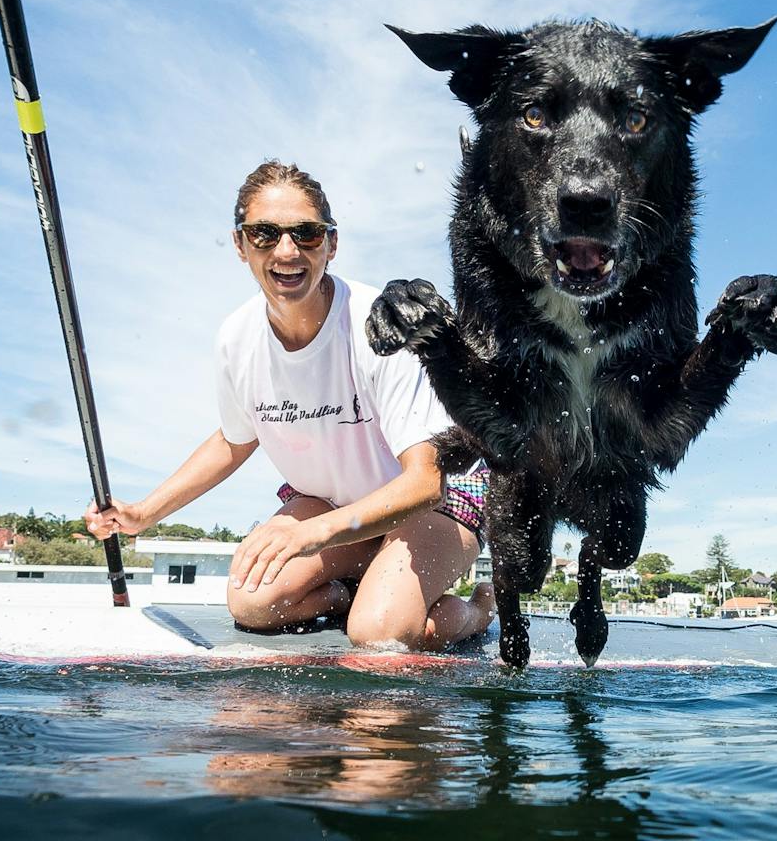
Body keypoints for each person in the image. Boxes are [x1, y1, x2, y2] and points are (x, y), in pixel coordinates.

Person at [84, 160, 494, 650]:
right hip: (333, 508)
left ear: (331, 244)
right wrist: (143, 513)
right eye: (264, 234)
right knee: (254, 603)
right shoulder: (236, 339)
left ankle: (476, 610)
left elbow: (425, 483)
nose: (287, 251)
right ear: (240, 244)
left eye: (307, 233)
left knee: (381, 635)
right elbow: (234, 439)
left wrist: (313, 535)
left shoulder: (380, 327)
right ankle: (354, 593)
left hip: (436, 505)